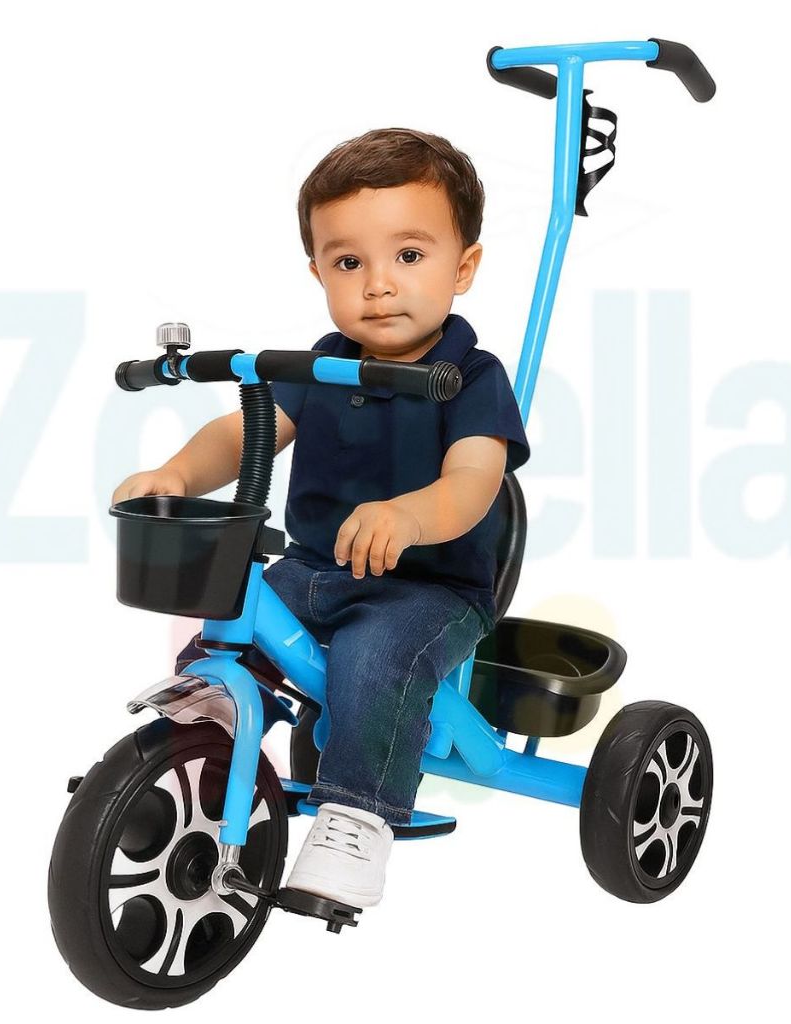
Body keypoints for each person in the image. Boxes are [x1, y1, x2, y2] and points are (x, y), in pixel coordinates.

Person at [112, 128, 530, 909]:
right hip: (315, 570)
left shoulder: (471, 378)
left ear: (463, 268)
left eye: (409, 255)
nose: (379, 284)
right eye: (348, 263)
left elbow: (476, 483)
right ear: (318, 272)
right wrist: (178, 474)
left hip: (429, 591)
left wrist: (410, 516)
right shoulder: (323, 363)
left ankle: (356, 820)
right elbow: (243, 431)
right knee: (235, 612)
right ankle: (208, 732)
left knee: (373, 659)